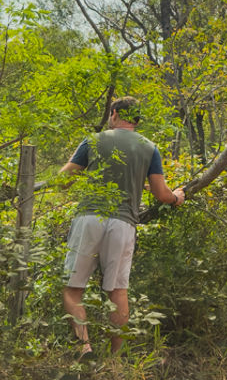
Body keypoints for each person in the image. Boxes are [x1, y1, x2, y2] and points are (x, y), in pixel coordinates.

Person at [59, 96, 184, 357]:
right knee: (118, 292)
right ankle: (114, 361)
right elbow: (162, 194)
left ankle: (85, 347)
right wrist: (177, 197)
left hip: (89, 218)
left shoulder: (94, 140)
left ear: (114, 113)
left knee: (72, 290)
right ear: (137, 120)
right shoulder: (149, 147)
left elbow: (63, 180)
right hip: (124, 224)